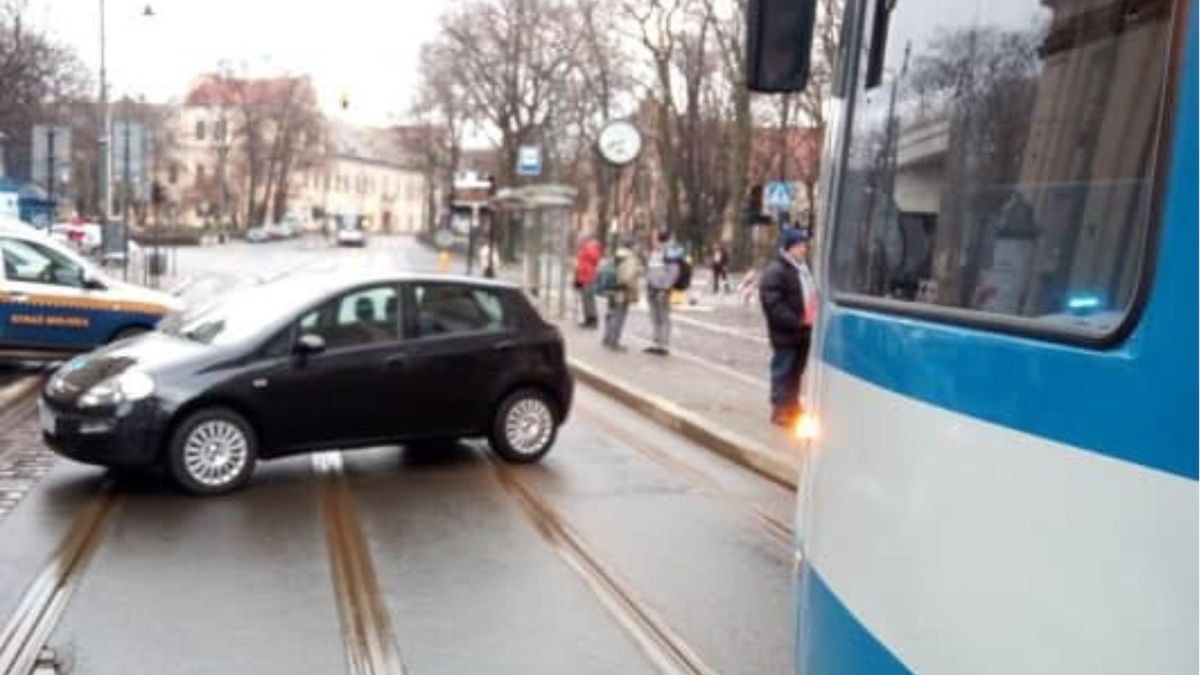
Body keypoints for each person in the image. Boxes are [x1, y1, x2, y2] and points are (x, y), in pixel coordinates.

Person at [759, 228, 818, 427]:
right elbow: (773, 304)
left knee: (796, 371)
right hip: (787, 332)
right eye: (800, 246)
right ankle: (780, 409)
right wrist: (795, 321)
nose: (804, 250)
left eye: (805, 246)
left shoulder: (803, 269)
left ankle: (792, 406)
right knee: (783, 370)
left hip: (804, 330)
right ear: (789, 247)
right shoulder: (777, 271)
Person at [643, 230, 682, 356]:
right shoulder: (655, 252)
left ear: (659, 239)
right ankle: (655, 343)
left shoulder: (670, 252)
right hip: (652, 289)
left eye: (654, 238)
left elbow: (673, 273)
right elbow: (651, 270)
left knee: (663, 317)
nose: (652, 241)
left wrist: (665, 288)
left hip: (662, 290)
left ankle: (663, 345)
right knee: (654, 318)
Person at [603, 236, 642, 352]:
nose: (638, 247)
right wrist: (632, 286)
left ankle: (607, 338)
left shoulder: (616, 256)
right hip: (623, 292)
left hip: (611, 290)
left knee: (611, 314)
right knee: (619, 317)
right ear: (631, 246)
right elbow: (627, 278)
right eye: (636, 245)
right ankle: (615, 342)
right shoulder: (630, 259)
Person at [573, 234, 604, 328]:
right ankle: (588, 319)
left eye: (579, 240)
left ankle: (592, 319)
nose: (578, 242)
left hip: (588, 277)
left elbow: (595, 259)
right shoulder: (584, 249)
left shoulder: (590, 248)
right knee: (585, 300)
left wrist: (585, 249)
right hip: (583, 276)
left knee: (589, 299)